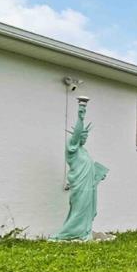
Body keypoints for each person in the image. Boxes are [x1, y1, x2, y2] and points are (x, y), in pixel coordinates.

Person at [51, 98, 108, 240]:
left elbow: (87, 167)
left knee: (85, 211)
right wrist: (81, 115)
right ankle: (66, 234)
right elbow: (76, 135)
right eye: (83, 136)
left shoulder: (84, 151)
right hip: (79, 186)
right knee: (78, 211)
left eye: (86, 136)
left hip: (88, 186)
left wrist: (97, 175)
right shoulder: (72, 149)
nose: (85, 138)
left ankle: (83, 232)